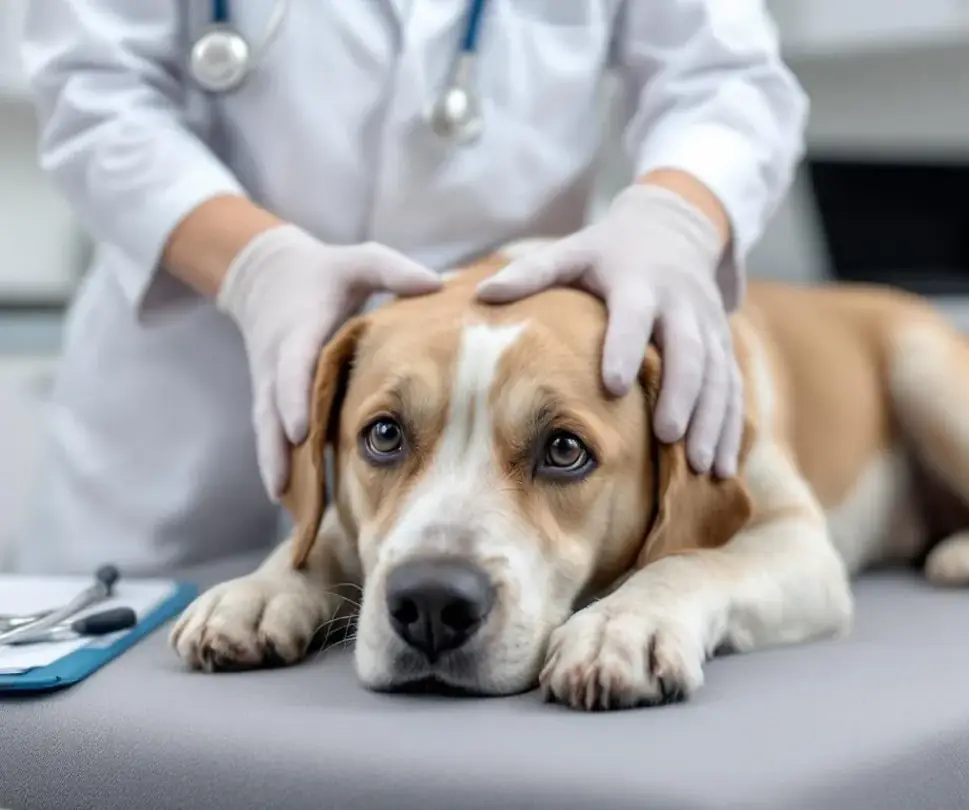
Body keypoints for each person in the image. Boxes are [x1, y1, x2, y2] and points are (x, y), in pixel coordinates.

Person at [14, 1, 807, 576]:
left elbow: (725, 79)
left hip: (509, 391)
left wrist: (674, 215)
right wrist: (253, 266)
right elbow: (95, 92)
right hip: (184, 417)